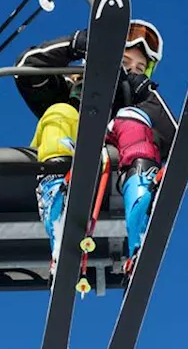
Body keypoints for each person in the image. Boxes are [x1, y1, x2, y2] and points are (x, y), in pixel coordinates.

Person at [14, 19, 178, 263]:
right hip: (70, 147)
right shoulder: (67, 91)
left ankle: (140, 202)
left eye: (139, 69)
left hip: (117, 155)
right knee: (59, 113)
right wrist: (74, 45)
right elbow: (26, 69)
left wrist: (144, 92)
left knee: (132, 121)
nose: (130, 72)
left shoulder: (137, 105)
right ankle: (58, 200)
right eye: (124, 63)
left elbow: (173, 134)